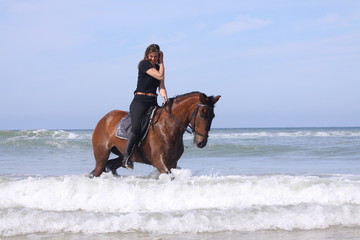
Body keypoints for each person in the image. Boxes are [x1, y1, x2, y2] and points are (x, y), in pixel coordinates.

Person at [122, 44, 168, 169]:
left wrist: (164, 97)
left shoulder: (158, 67)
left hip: (153, 101)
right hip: (140, 101)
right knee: (136, 126)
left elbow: (161, 85)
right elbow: (160, 76)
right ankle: (126, 157)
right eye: (151, 56)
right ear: (147, 55)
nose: (153, 58)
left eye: (156, 56)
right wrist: (162, 62)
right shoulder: (143, 64)